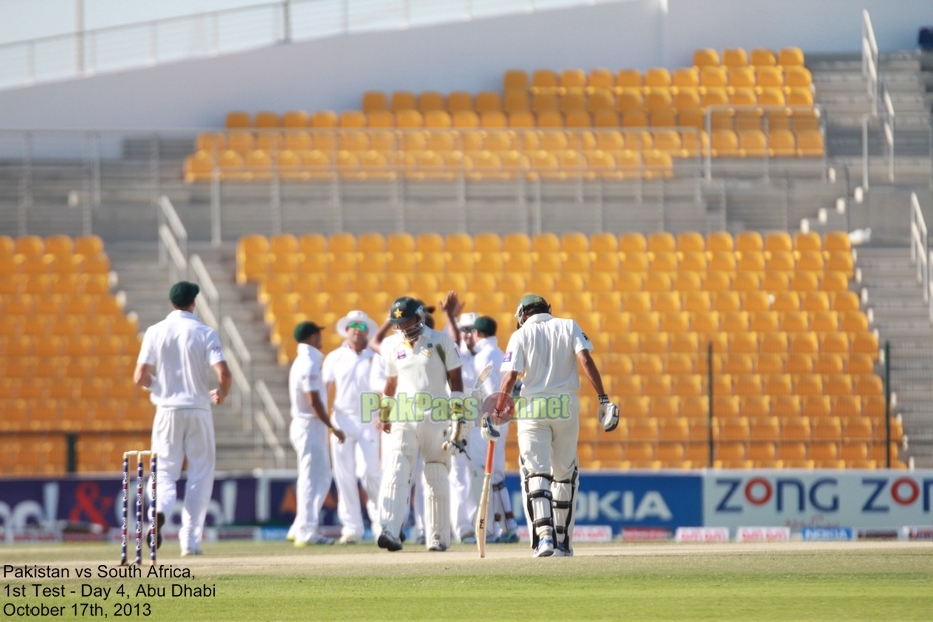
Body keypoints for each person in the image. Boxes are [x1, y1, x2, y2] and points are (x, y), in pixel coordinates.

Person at [491, 294, 618, 558]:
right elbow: (585, 361)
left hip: (533, 406)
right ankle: (563, 543)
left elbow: (510, 376)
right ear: (547, 309)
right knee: (564, 473)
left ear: (522, 314)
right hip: (566, 404)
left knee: (535, 471)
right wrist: (603, 397)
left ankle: (544, 538)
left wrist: (499, 406)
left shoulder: (520, 334)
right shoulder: (569, 325)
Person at [133, 281, 232, 557]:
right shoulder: (204, 332)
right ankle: (190, 541)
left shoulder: (155, 331)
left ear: (171, 303)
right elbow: (224, 374)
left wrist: (160, 387)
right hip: (198, 409)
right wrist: (221, 392)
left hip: (166, 411)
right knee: (200, 473)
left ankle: (159, 512)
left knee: (163, 473)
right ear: (194, 303)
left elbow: (140, 376)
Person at [375, 296, 465, 552]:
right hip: (405, 417)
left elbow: (456, 381)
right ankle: (389, 531)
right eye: (398, 322)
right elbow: (391, 385)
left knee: (436, 473)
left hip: (437, 417)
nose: (402, 327)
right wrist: (384, 413)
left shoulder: (440, 340)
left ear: (419, 317)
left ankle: (437, 537)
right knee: (396, 468)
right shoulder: (393, 346)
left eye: (406, 321)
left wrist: (458, 415)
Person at [322, 310, 381, 544]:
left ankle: (381, 523)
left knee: (370, 472)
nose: (358, 329)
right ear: (346, 329)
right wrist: (325, 420)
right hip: (342, 419)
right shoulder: (334, 357)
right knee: (344, 475)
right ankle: (352, 527)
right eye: (354, 325)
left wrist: (385, 413)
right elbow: (325, 389)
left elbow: (385, 387)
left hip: (370, 418)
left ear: (368, 331)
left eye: (363, 325)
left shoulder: (376, 355)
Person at [287, 320, 346, 547]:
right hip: (310, 425)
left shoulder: (305, 361)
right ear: (312, 337)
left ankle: (299, 527)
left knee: (312, 477)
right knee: (316, 479)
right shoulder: (309, 363)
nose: (321, 338)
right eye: (319, 334)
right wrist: (331, 425)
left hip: (307, 425)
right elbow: (314, 401)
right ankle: (306, 531)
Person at [465, 315, 519, 543]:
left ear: (477, 334)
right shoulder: (499, 353)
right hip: (501, 418)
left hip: (491, 419)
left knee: (483, 473)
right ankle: (507, 526)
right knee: (495, 474)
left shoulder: (484, 356)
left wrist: (490, 418)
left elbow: (490, 391)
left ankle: (495, 528)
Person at [448, 311, 478, 544]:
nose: (468, 334)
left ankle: (477, 524)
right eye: (464, 329)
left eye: (472, 329)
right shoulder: (454, 352)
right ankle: (462, 528)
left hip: (476, 422)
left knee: (475, 472)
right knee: (457, 473)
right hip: (456, 419)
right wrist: (450, 315)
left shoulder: (482, 355)